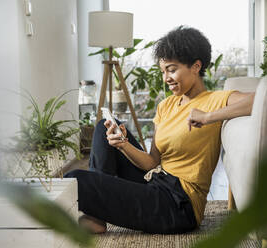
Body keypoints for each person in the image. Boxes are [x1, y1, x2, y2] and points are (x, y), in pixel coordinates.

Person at [65, 26, 255, 234]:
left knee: (75, 179)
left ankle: (96, 213)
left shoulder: (216, 100)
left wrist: (208, 117)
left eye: (172, 70)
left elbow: (263, 98)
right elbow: (151, 162)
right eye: (163, 71)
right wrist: (123, 145)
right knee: (103, 127)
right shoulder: (166, 106)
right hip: (154, 180)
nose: (166, 78)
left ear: (196, 66)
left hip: (179, 204)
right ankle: (97, 216)